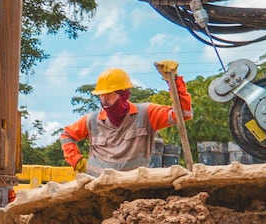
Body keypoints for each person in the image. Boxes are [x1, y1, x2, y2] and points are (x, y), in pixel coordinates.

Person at [60, 61, 192, 176]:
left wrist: (173, 81)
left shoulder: (146, 114)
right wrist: (77, 161)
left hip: (133, 190)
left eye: (110, 94)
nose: (104, 99)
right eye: (101, 95)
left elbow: (183, 114)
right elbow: (66, 135)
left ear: (124, 94)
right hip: (98, 188)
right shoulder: (91, 120)